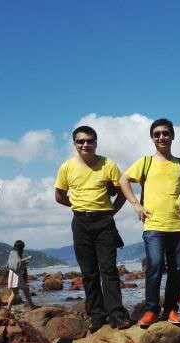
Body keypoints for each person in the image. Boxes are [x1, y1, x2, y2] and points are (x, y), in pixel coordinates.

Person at [120, 118, 180, 328]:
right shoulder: (145, 162)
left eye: (165, 133)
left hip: (178, 226)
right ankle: (151, 310)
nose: (161, 137)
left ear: (172, 136)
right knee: (155, 266)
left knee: (176, 270)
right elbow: (123, 180)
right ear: (152, 138)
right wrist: (136, 205)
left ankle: (171, 310)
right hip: (153, 226)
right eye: (157, 134)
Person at [55, 125, 131, 332]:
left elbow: (123, 191)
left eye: (89, 141)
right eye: (81, 141)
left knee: (109, 270)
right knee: (88, 273)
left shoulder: (108, 164)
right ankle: (97, 315)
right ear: (74, 144)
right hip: (80, 222)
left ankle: (116, 314)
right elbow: (59, 196)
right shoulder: (67, 167)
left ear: (96, 143)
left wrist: (112, 211)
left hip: (104, 222)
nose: (85, 144)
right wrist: (78, 206)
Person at [5, 240, 35, 309]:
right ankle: (31, 305)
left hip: (12, 274)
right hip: (17, 275)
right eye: (22, 247)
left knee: (15, 292)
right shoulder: (17, 253)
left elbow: (11, 264)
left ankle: (8, 308)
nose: (23, 249)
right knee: (25, 290)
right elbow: (19, 264)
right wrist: (27, 259)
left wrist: (24, 261)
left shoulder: (11, 252)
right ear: (20, 247)